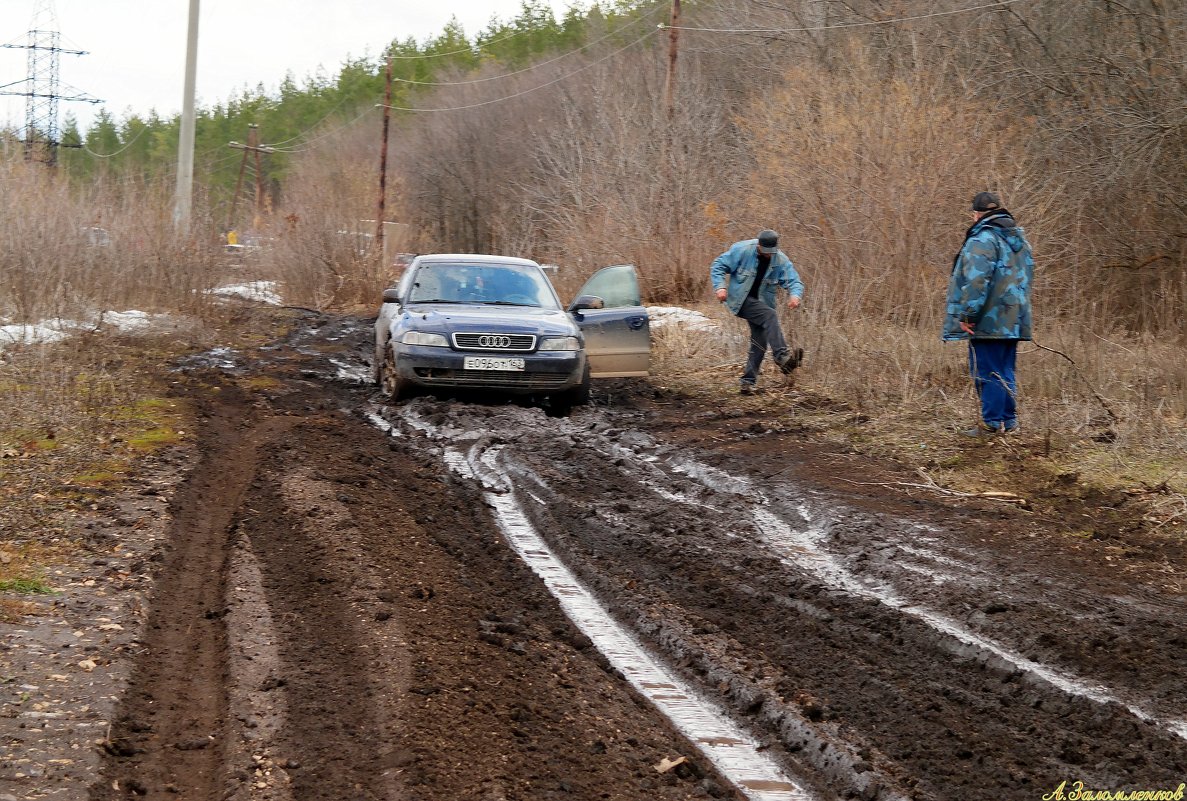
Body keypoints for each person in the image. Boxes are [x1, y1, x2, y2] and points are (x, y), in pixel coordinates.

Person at [942, 191, 1035, 435]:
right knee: (1005, 370)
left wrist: (968, 315)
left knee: (987, 371)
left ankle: (992, 424)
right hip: (1014, 318)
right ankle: (1009, 420)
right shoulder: (1019, 240)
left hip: (989, 320)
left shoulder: (982, 239)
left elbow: (976, 282)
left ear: (977, 214)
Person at [710, 229, 805, 394]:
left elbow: (794, 280)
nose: (769, 255)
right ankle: (782, 357)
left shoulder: (780, 259)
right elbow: (718, 266)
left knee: (759, 341)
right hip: (740, 300)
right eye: (765, 252)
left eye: (772, 252)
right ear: (758, 246)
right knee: (770, 315)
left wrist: (795, 296)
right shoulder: (742, 250)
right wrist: (720, 287)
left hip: (760, 303)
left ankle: (747, 383)